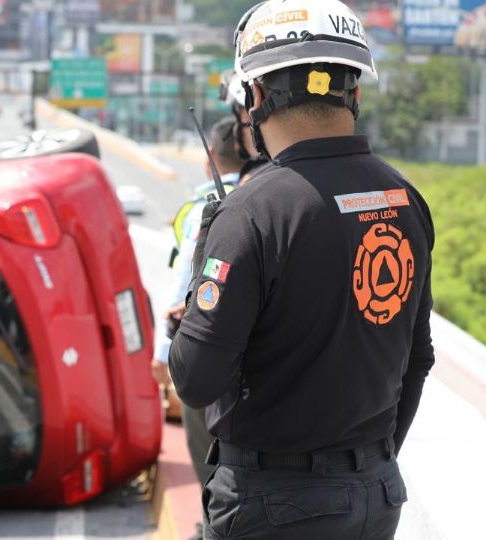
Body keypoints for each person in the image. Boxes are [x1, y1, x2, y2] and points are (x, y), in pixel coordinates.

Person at [168, 1, 436, 539]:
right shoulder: (405, 199)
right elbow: (418, 358)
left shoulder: (250, 213)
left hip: (271, 505)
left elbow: (195, 381)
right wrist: (370, 465)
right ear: (355, 94)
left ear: (256, 97)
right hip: (377, 496)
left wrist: (196, 298)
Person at [152, 115, 248, 540]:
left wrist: (162, 354)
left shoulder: (203, 207)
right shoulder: (271, 192)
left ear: (211, 159)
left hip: (208, 347)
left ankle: (212, 521)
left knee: (203, 438)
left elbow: (186, 282)